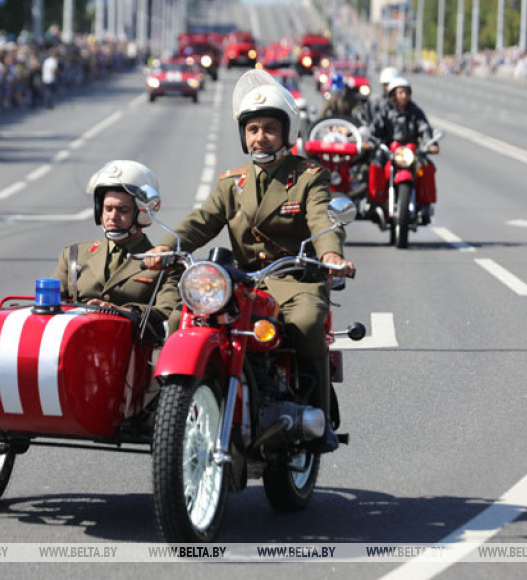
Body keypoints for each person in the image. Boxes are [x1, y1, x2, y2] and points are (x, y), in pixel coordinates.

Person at [145, 70, 356, 453]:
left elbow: (322, 219)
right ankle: (174, 409)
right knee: (181, 319)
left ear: (287, 132)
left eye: (270, 128)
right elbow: (201, 221)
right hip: (240, 282)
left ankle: (319, 413)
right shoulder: (232, 182)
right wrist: (166, 247)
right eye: (253, 128)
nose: (260, 137)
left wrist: (330, 254)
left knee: (307, 323)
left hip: (294, 280)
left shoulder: (308, 176)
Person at [51, 160, 181, 338]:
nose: (113, 217)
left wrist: (121, 311)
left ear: (142, 213)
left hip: (131, 350)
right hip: (75, 346)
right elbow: (50, 305)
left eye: (123, 210)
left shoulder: (166, 263)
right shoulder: (74, 255)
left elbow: (167, 312)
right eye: (108, 208)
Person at [366, 76, 439, 222]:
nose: (404, 95)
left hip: (410, 151)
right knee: (375, 163)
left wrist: (430, 144)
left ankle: (425, 203)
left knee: (427, 166)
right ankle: (374, 201)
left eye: (406, 92)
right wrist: (370, 141)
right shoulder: (385, 111)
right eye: (400, 92)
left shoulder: (415, 112)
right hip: (389, 150)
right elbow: (374, 130)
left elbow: (424, 129)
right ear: (393, 94)